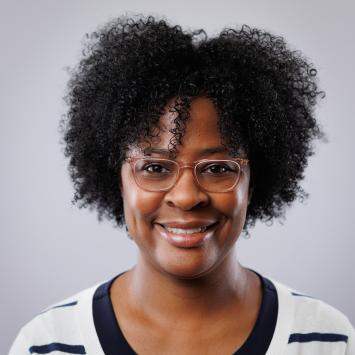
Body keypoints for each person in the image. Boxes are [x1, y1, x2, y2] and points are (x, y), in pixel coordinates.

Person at [9, 15, 354, 355]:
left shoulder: (327, 340)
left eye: (218, 167)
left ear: (253, 181)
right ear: (117, 178)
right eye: (155, 167)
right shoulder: (48, 344)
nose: (187, 197)